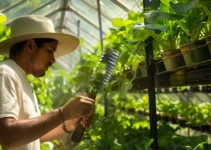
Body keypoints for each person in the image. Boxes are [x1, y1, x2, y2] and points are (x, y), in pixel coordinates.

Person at [0, 15, 95, 150]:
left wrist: (69, 122)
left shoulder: (22, 80)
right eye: (50, 51)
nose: (53, 60)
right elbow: (7, 136)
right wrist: (63, 113)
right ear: (31, 45)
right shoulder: (6, 73)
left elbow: (34, 135)